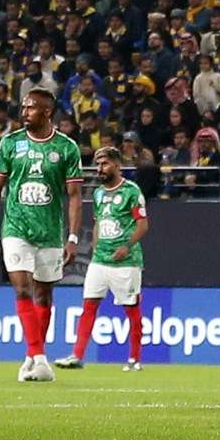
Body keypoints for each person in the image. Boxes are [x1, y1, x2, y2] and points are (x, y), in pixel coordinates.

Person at [0, 88, 83, 383]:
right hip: (15, 228)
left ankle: (32, 353)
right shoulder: (10, 143)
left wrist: (73, 237)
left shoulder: (66, 148)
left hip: (50, 232)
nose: (24, 112)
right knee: (23, 288)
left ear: (47, 112)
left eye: (30, 108)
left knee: (44, 293)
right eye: (23, 107)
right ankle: (40, 359)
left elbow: (75, 196)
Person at [54, 147, 148, 372]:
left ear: (116, 164)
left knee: (131, 309)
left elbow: (143, 224)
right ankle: (77, 355)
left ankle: (134, 359)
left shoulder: (131, 191)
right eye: (98, 165)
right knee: (89, 305)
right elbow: (97, 222)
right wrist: (96, 247)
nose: (100, 169)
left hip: (126, 262)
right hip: (100, 261)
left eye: (104, 164)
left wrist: (127, 246)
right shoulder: (97, 193)